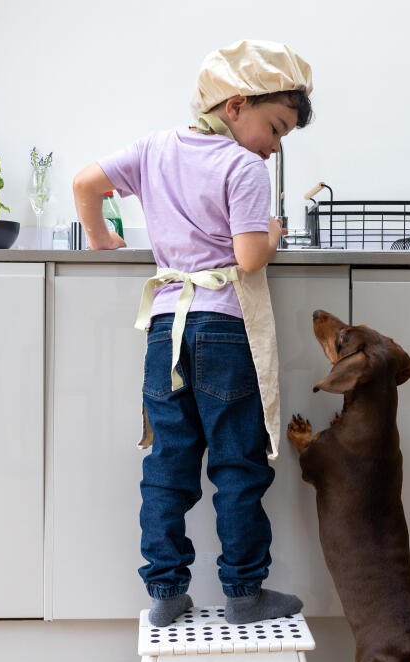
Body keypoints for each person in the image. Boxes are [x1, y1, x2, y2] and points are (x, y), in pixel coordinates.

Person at [73, 40, 314, 626]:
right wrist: (275, 232)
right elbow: (250, 258)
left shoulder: (155, 148)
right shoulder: (242, 166)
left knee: (167, 464)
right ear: (235, 105)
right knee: (237, 465)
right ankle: (244, 594)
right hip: (225, 331)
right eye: (275, 126)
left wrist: (103, 238)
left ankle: (165, 592)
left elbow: (85, 182)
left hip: (165, 330)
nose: (274, 144)